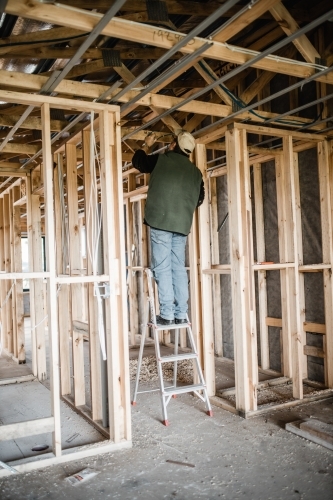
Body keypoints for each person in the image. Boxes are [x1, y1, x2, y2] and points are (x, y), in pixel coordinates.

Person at [132, 131, 204, 326]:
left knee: (162, 268)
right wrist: (181, 206)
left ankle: (167, 314)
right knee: (178, 268)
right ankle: (181, 313)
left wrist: (146, 144)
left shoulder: (160, 161)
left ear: (173, 145)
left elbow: (138, 162)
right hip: (181, 227)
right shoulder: (196, 173)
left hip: (160, 223)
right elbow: (200, 199)